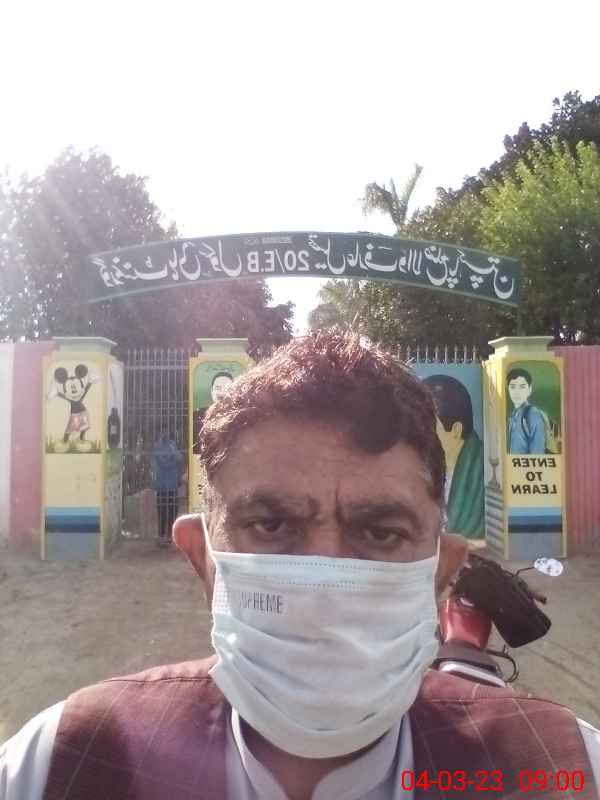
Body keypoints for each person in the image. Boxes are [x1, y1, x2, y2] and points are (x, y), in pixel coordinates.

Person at [1, 332, 598, 799]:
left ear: (443, 572)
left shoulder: (565, 770)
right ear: (202, 557)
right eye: (270, 525)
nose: (322, 585)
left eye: (382, 533)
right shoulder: (56, 766)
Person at [422, 375, 484, 538]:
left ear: (456, 430)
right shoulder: (419, 466)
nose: (421, 435)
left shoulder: (485, 472)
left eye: (429, 427)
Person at [151, 432, 183, 546]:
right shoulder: (159, 446)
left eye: (166, 431)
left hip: (168, 485)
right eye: (163, 431)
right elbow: (177, 459)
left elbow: (179, 458)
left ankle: (168, 535)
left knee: (170, 511)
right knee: (164, 512)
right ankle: (163, 536)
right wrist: (172, 458)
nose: (165, 434)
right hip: (164, 485)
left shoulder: (171, 445)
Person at [507, 367, 546, 454]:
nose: (517, 392)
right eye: (512, 387)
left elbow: (538, 453)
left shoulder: (532, 414)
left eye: (522, 387)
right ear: (508, 389)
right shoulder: (514, 414)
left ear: (529, 390)